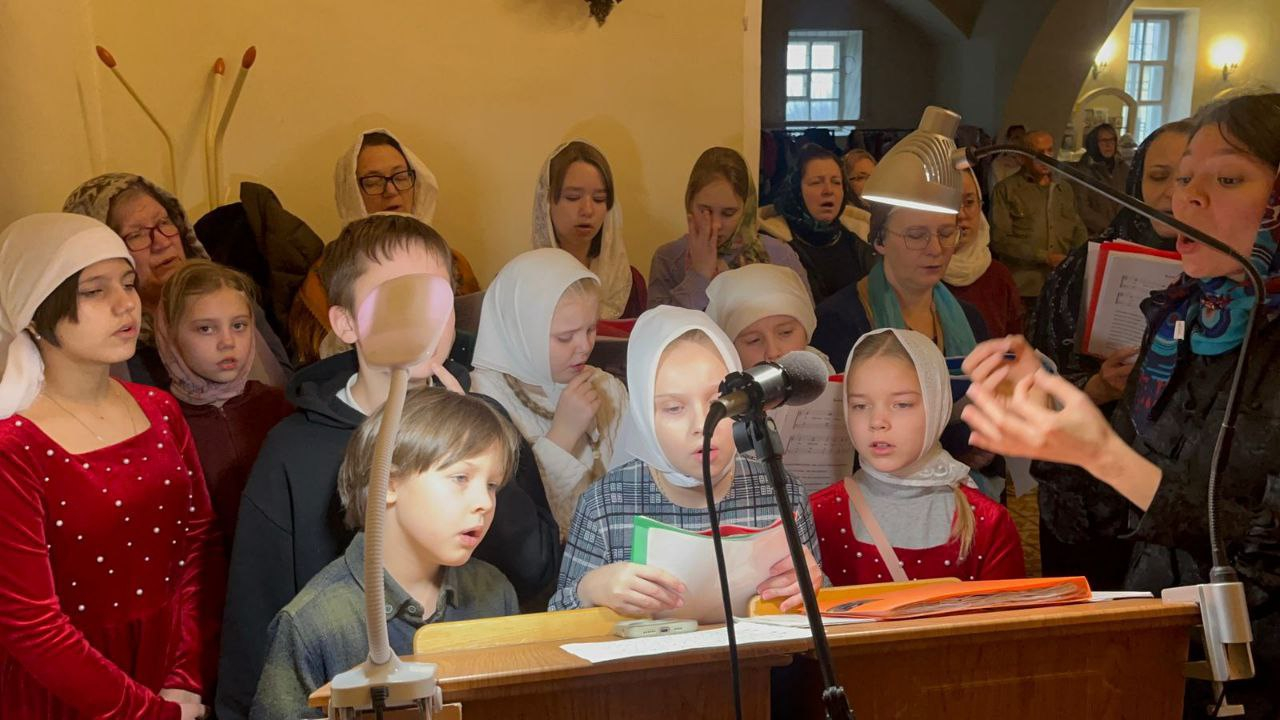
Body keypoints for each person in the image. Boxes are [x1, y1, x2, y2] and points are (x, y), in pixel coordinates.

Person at [960, 93, 1280, 717]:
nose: (1184, 200)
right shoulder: (1181, 319)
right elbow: (1115, 517)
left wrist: (1104, 454)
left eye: (1227, 179)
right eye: (1182, 178)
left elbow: (1262, 553)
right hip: (1160, 653)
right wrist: (1056, 424)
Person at [216, 214, 558, 720]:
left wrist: (473, 448)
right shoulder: (293, 450)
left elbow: (536, 573)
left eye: (439, 300)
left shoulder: (488, 418)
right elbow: (256, 629)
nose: (425, 321)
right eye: (399, 298)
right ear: (345, 323)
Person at [0, 213, 223, 720]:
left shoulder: (158, 409)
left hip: (170, 675)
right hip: (68, 693)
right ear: (34, 310)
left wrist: (185, 677)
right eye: (94, 291)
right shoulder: (14, 446)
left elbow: (199, 543)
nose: (126, 304)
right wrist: (148, 712)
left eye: (127, 282)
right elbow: (29, 624)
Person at [250, 389, 520, 720]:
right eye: (460, 478)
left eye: (492, 485)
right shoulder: (313, 624)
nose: (485, 502)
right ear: (388, 483)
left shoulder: (495, 593)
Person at [549, 306, 823, 614]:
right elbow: (558, 619)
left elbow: (823, 615)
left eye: (718, 402)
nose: (701, 425)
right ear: (644, 417)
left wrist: (812, 584)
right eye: (673, 408)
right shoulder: (605, 504)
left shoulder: (782, 490)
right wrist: (590, 588)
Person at [1027, 120, 1192, 586]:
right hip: (1086, 488)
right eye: (1159, 176)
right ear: (1136, 180)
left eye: (1187, 178)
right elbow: (1034, 389)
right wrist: (1099, 387)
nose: (1173, 193)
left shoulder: (1227, 277)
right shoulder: (1080, 268)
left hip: (1174, 495)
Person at [810, 329, 1023, 585]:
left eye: (901, 404)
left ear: (937, 404)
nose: (877, 421)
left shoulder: (987, 522)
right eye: (860, 405)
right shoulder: (815, 516)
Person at [63, 173, 292, 389]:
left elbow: (285, 386)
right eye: (136, 234)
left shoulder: (230, 301)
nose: (162, 242)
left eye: (164, 222)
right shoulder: (107, 343)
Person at [471, 248, 629, 536]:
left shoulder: (607, 387)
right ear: (521, 333)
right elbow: (510, 519)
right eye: (565, 337)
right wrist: (563, 435)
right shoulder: (484, 399)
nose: (584, 347)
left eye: (591, 329)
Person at [154, 260, 295, 550]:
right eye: (206, 329)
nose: (227, 342)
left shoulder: (282, 408)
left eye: (239, 325)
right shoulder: (158, 425)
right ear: (170, 334)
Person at [648, 147, 808, 309]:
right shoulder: (669, 259)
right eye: (705, 211)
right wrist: (699, 275)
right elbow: (657, 324)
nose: (716, 225)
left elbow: (807, 320)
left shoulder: (780, 257)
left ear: (746, 210)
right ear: (690, 204)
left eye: (728, 213)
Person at [532, 140, 646, 319]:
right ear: (547, 202)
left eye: (599, 199)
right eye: (573, 197)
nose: (587, 210)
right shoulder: (525, 283)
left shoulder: (627, 285)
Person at [759, 144, 878, 304]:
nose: (828, 190)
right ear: (796, 190)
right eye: (816, 182)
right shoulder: (772, 244)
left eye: (836, 182)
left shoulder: (863, 237)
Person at [989, 131, 1089, 303]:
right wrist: (1044, 257)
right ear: (1023, 158)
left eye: (1049, 151)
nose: (1046, 158)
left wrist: (1080, 259)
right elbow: (999, 240)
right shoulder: (1007, 189)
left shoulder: (1063, 189)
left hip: (1061, 283)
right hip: (1025, 286)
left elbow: (1077, 228)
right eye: (1038, 153)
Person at [704, 263, 833, 372]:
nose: (773, 352)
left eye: (786, 332)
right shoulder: (720, 390)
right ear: (729, 350)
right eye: (753, 340)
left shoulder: (822, 372)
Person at [944, 169, 1024, 338]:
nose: (961, 214)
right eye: (950, 203)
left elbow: (1014, 342)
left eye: (969, 202)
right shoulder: (921, 276)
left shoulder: (999, 277)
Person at [1074, 123, 1130, 237]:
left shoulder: (1124, 168)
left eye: (1112, 140)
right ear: (1094, 144)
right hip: (1095, 235)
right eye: (1103, 141)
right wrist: (1109, 228)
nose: (1108, 145)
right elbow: (1083, 209)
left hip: (1123, 233)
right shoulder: (1084, 170)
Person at [986, 124, 1027, 196]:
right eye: (1016, 137)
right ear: (1008, 140)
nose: (1020, 141)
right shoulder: (998, 164)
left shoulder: (1029, 163)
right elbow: (996, 192)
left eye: (1023, 137)